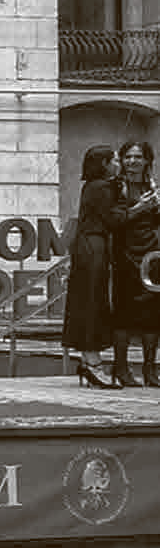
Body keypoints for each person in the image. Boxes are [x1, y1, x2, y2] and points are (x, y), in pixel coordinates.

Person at [67, 146, 124, 388]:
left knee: (88, 300)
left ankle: (88, 360)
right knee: (93, 301)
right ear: (104, 163)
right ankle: (92, 363)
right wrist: (141, 207)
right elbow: (113, 220)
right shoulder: (101, 187)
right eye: (115, 160)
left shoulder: (92, 186)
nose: (118, 164)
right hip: (94, 247)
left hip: (88, 245)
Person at [113, 141, 160, 387]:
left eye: (138, 157)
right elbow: (114, 221)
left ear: (147, 161)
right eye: (128, 156)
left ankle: (150, 370)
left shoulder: (151, 186)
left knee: (152, 313)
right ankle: (121, 368)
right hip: (125, 254)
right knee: (124, 312)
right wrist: (141, 207)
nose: (132, 161)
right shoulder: (116, 186)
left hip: (151, 255)